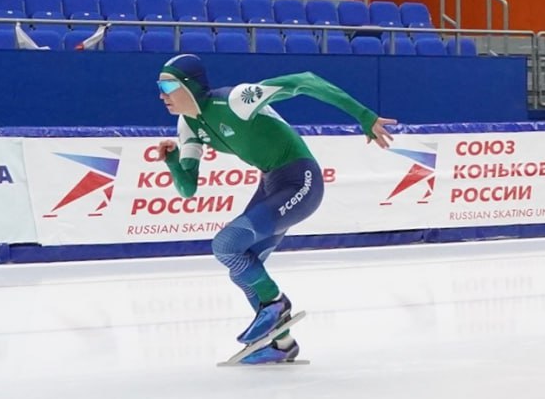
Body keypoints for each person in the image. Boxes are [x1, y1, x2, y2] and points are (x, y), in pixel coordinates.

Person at [155, 53, 396, 364]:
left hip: (301, 181)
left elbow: (305, 81)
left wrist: (364, 116)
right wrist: (173, 162)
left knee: (226, 244)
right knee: (242, 268)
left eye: (167, 85)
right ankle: (281, 344)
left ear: (188, 86)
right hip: (271, 183)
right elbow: (188, 189)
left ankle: (276, 303)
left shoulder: (236, 100)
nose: (161, 94)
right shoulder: (187, 125)